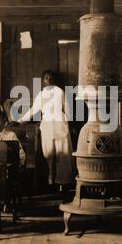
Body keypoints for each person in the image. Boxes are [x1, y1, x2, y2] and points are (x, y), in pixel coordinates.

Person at [17, 70, 74, 200]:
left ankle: (64, 184)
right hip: (47, 125)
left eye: (50, 77)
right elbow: (33, 110)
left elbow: (68, 110)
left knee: (63, 155)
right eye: (46, 78)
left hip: (60, 124)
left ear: (53, 80)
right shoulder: (41, 95)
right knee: (48, 155)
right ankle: (51, 183)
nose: (48, 79)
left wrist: (66, 121)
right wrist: (20, 120)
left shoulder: (60, 92)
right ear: (43, 80)